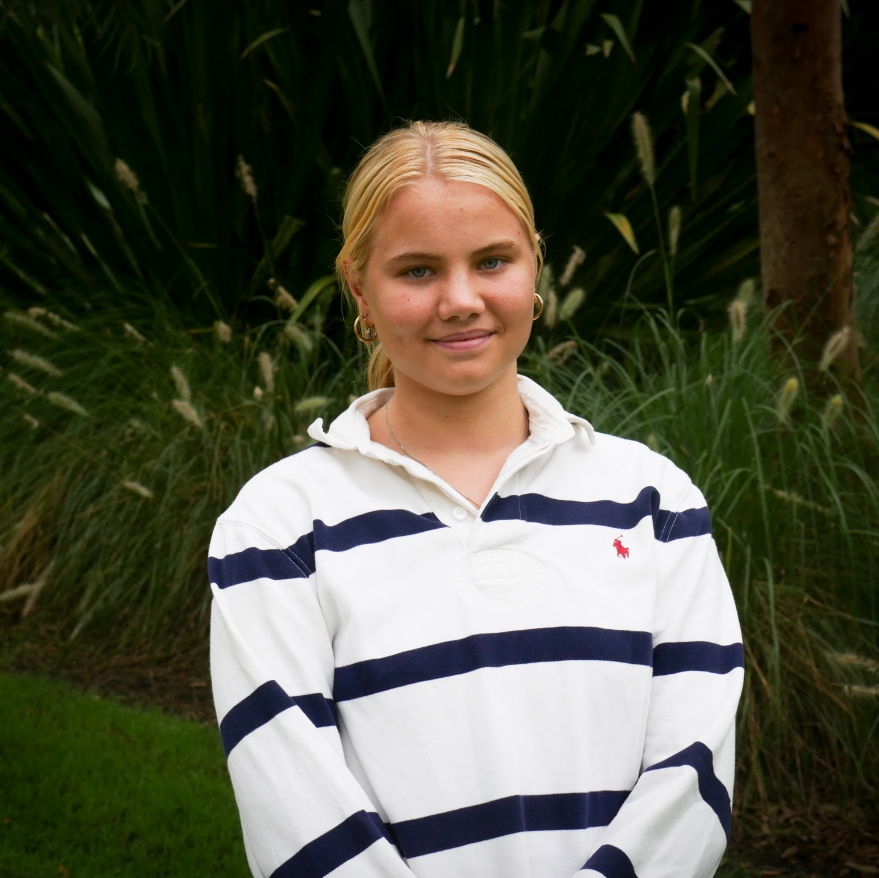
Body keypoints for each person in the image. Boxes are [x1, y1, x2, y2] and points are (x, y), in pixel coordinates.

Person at [207, 121, 743, 878]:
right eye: (418, 271)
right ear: (359, 287)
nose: (461, 300)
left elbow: (694, 770)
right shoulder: (278, 528)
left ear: (535, 267)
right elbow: (290, 801)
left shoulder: (652, 503)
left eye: (492, 261)